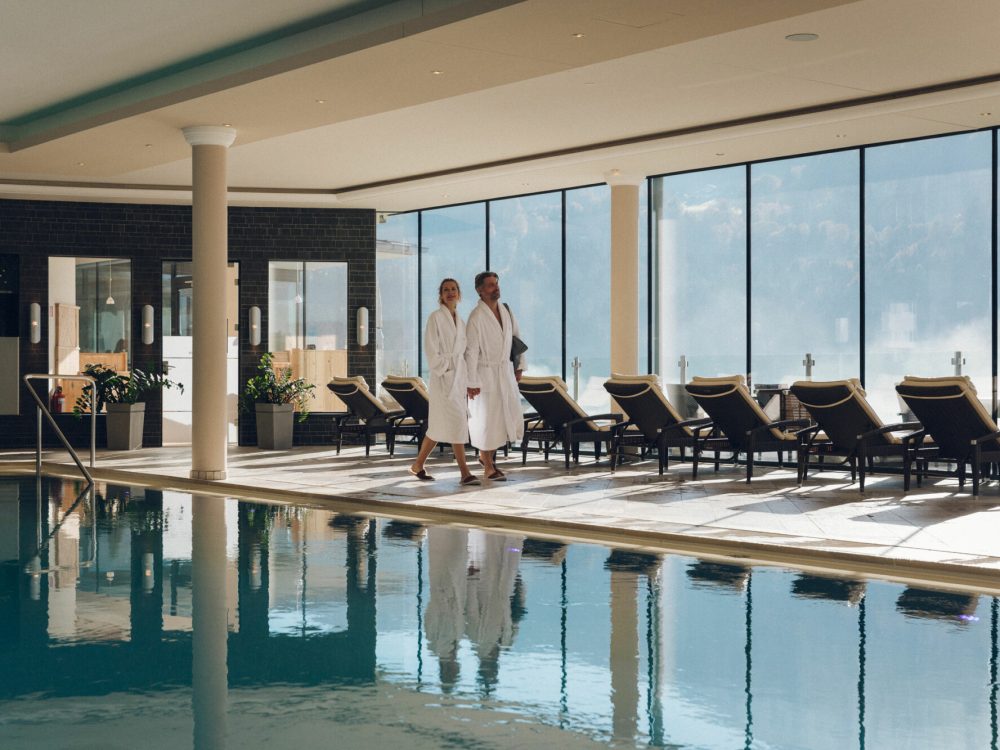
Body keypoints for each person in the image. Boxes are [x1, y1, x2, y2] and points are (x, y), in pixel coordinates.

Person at [409, 278, 479, 485]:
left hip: (457, 378)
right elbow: (431, 349)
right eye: (446, 290)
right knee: (458, 421)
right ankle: (465, 472)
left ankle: (417, 465)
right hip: (443, 378)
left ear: (459, 294)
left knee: (439, 427)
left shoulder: (461, 320)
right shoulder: (435, 318)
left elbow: (465, 353)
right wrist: (445, 368)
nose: (450, 292)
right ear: (440, 294)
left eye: (454, 289)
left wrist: (467, 381)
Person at [465, 271, 524, 481]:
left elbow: (516, 338)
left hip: (504, 371)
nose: (496, 288)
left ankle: (487, 459)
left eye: (496, 284)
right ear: (480, 290)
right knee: (486, 421)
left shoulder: (506, 310)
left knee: (501, 419)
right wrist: (470, 382)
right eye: (490, 285)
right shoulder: (476, 317)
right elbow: (471, 352)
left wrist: (519, 367)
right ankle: (488, 465)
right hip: (484, 375)